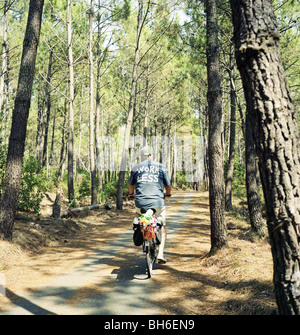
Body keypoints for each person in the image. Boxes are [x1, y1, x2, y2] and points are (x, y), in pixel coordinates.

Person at [128, 145, 171, 264]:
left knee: (138, 214)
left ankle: (138, 225)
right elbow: (168, 186)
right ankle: (161, 254)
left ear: (142, 156)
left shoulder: (136, 168)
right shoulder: (161, 167)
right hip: (157, 202)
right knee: (162, 225)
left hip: (141, 202)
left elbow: (131, 185)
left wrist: (131, 194)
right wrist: (168, 194)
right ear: (153, 155)